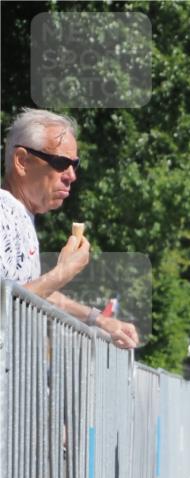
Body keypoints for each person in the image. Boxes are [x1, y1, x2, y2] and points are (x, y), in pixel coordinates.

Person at [1, 108, 138, 349]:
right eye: (60, 162)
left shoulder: (21, 215)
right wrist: (63, 272)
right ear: (22, 161)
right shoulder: (4, 211)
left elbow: (32, 291)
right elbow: (5, 300)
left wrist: (102, 321)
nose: (71, 175)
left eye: (75, 164)